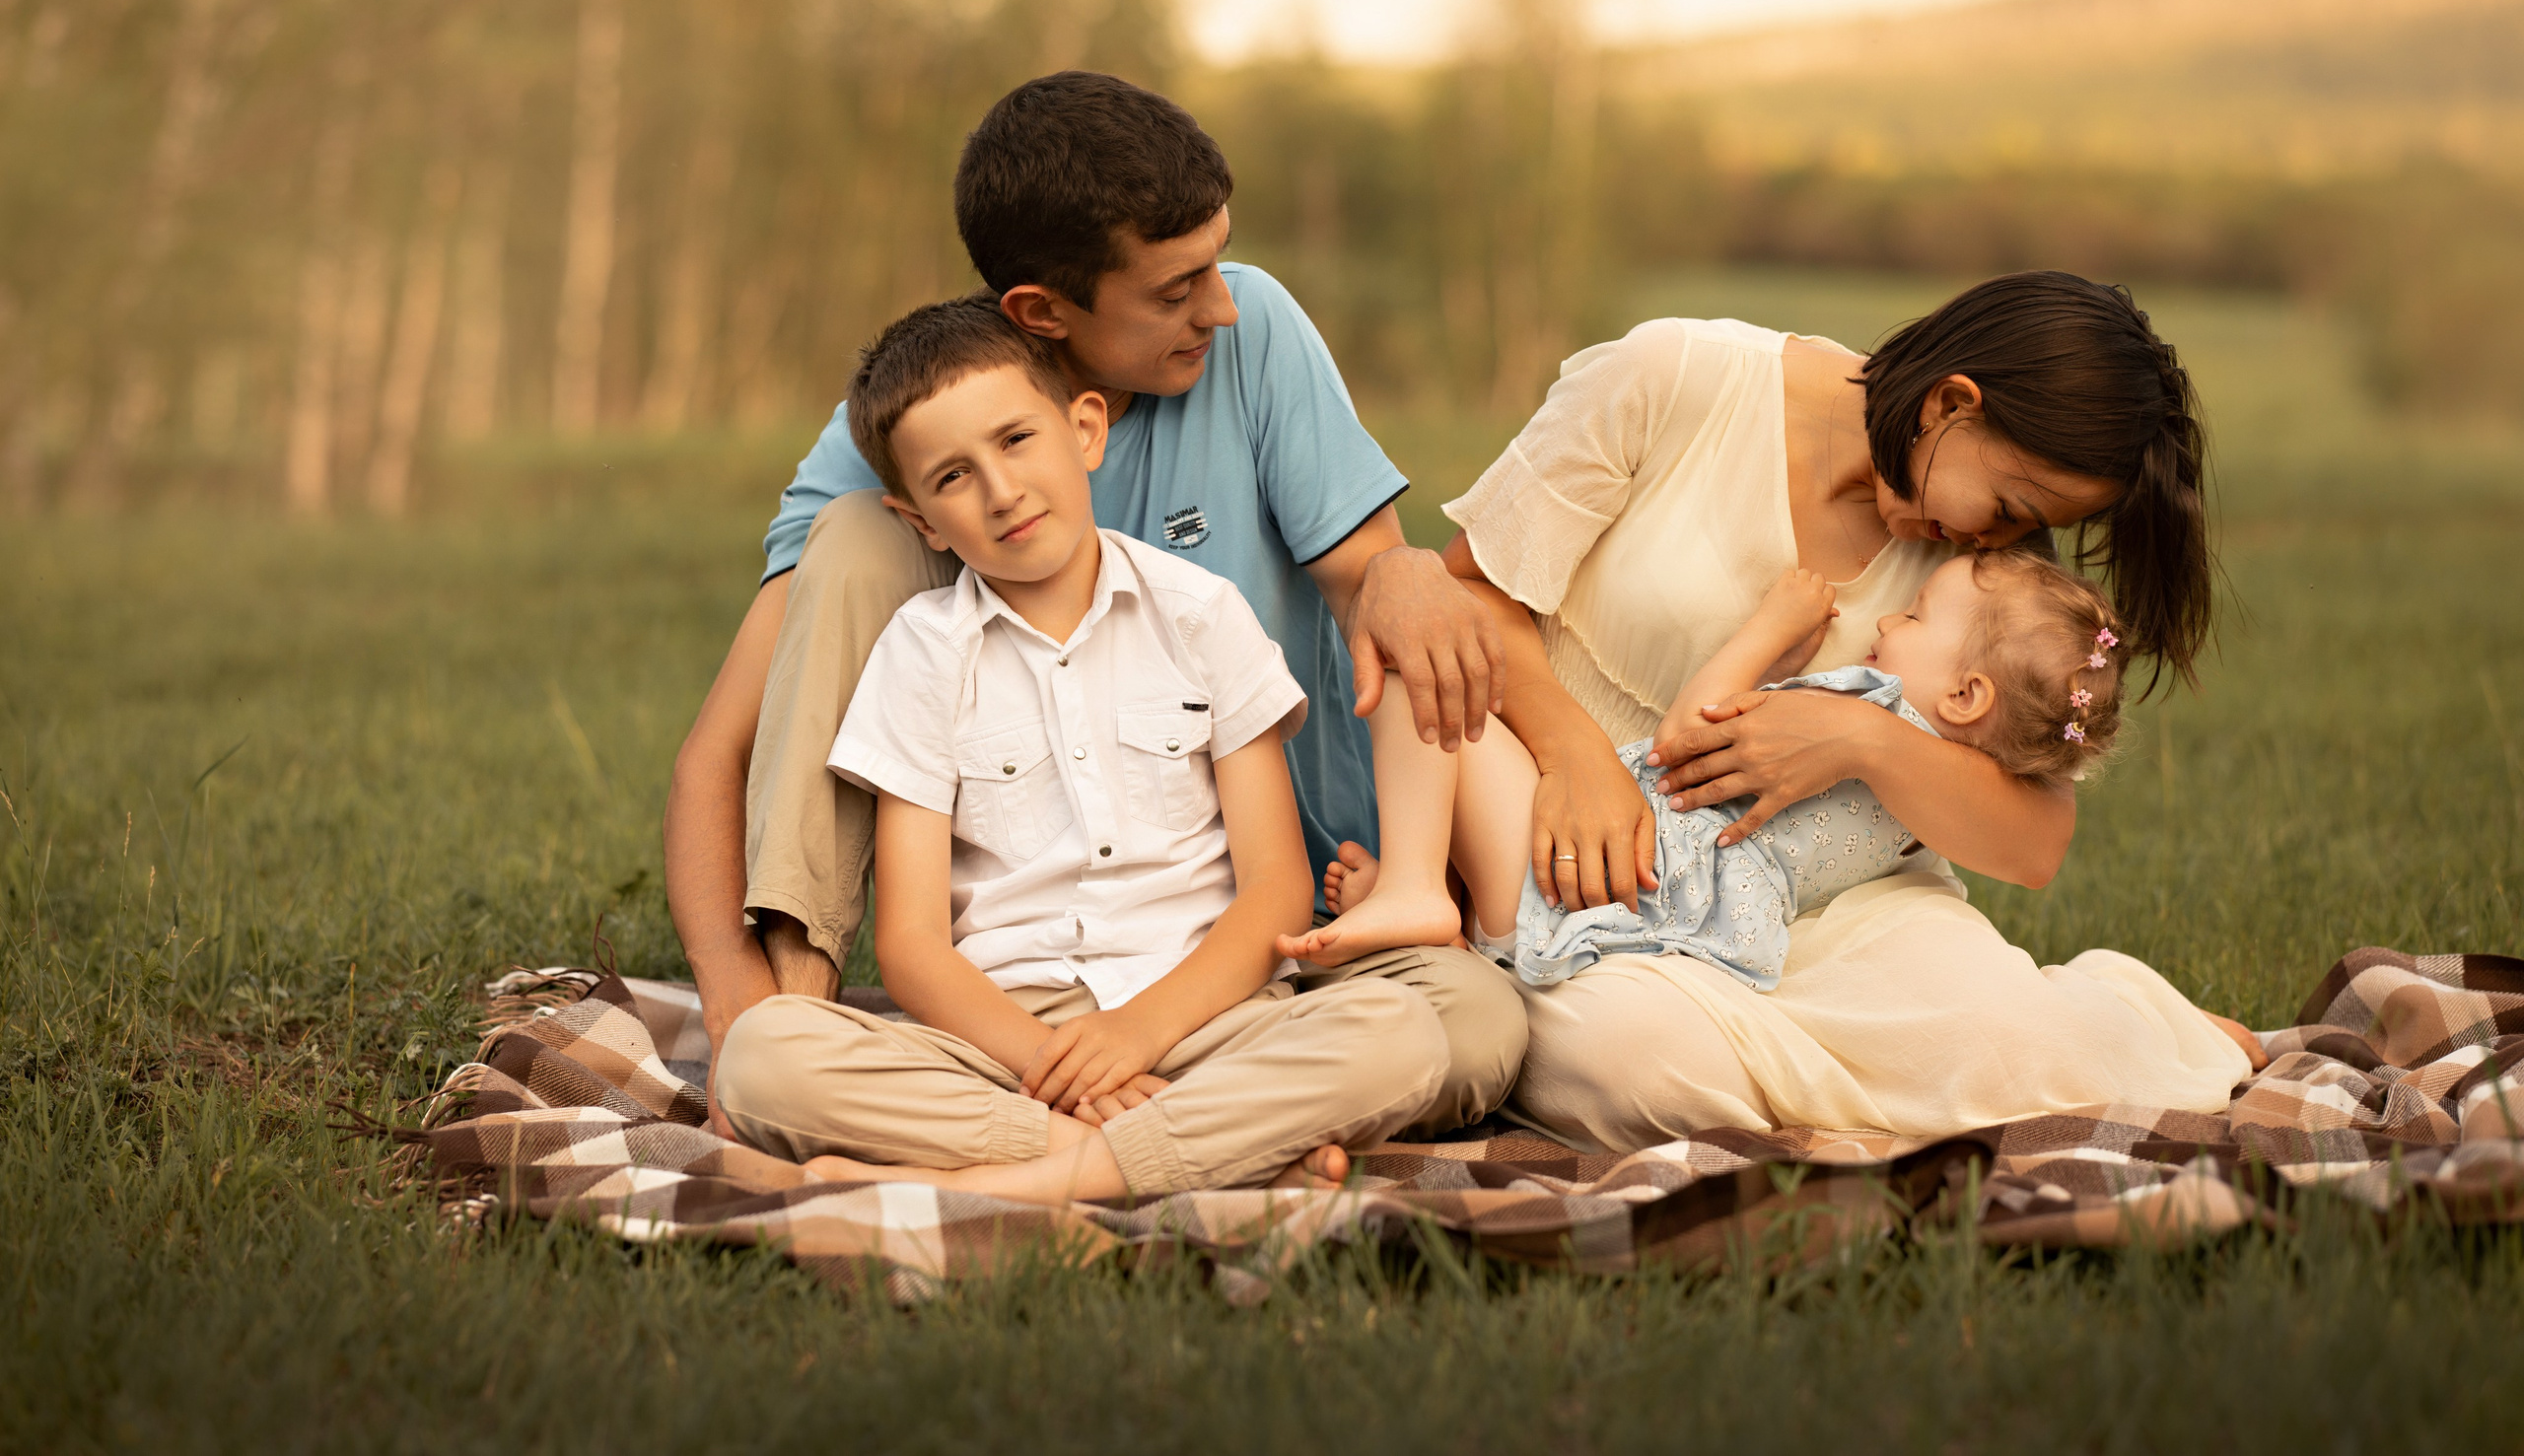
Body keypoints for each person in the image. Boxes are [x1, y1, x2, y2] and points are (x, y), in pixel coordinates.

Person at [665, 71, 1524, 1143]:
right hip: (1019, 981)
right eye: (1173, 291)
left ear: (1080, 431)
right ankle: (1191, 1138)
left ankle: (1062, 1155)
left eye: (1215, 262)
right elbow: (727, 747)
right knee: (846, 543)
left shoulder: (1251, 333)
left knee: (1477, 1028)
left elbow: (1381, 590)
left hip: (1280, 925)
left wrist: (1405, 571)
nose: (1219, 306)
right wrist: (731, 992)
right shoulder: (914, 420)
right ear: (1041, 311)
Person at [1423, 277, 2255, 1150]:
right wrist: (1574, 755)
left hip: (1839, 907)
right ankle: (1863, 1093)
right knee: (1632, 1058)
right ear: (1951, 405)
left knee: (2014, 1043)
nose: (1999, 542)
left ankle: (2092, 1023)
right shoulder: (1670, 379)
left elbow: (2035, 838)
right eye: (2010, 508)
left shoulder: (1987, 568)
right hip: (1599, 873)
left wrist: (1860, 738)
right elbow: (1468, 593)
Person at [713, 300, 1445, 1199]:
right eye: (954, 476)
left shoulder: (1202, 613)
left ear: (1085, 428)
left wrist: (1132, 1039)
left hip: (1205, 1015)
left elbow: (1275, 889)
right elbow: (911, 945)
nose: (1002, 491)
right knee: (766, 1056)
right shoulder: (919, 651)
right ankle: (1189, 1153)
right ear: (923, 524)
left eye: (1017, 440)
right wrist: (1058, 1061)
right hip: (1009, 1043)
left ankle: (1031, 1181)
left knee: (1400, 1032)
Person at [1287, 553, 2261, 1078]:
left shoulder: (1862, 714)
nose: (1886, 622)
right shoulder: (1937, 795)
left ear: (1963, 696)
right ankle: (1433, 907)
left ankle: (1418, 891)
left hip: (1621, 855)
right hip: (1654, 902)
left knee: (1431, 681)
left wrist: (1768, 634)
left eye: (1915, 616)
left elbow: (1685, 735)